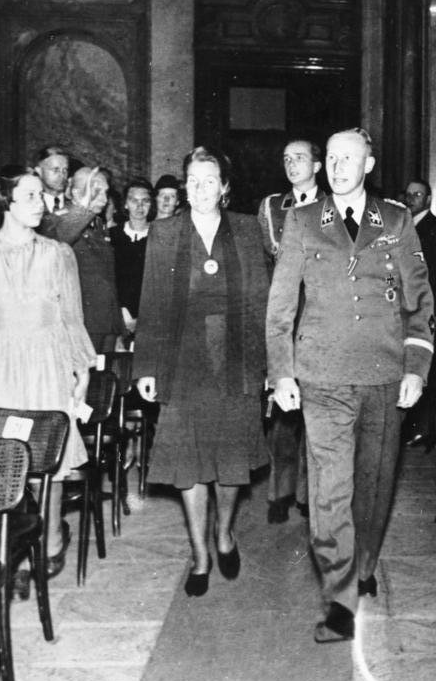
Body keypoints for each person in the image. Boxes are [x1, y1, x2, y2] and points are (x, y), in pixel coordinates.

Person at [266, 127, 434, 642]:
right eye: (332, 158)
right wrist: (282, 372)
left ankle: (364, 564)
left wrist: (415, 370)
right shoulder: (300, 221)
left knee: (375, 486)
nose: (337, 167)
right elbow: (280, 307)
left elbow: (419, 303)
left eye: (348, 159)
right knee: (330, 490)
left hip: (384, 377)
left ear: (369, 164)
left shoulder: (397, 221)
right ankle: (339, 598)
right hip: (323, 379)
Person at [134, 146, 269, 597]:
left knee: (231, 464)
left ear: (225, 187)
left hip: (236, 361)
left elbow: (261, 303)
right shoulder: (165, 232)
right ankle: (199, 554)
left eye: (209, 180)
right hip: (182, 362)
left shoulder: (248, 230)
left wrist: (269, 369)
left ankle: (225, 532)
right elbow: (151, 302)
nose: (200, 189)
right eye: (192, 181)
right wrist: (146, 367)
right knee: (188, 465)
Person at [0, 166, 96, 596]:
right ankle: (7, 551)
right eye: (30, 196)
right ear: (6, 202)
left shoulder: (57, 254)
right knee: (2, 465)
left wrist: (83, 371)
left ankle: (51, 539)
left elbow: (71, 318)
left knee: (43, 461)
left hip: (47, 366)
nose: (41, 204)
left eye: (42, 196)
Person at [258, 138, 325, 524]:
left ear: (317, 165)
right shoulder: (271, 207)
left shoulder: (333, 206)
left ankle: (308, 493)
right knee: (281, 413)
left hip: (318, 319)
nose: (292, 164)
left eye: (300, 157)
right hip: (283, 318)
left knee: (316, 412)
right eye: (286, 158)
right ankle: (280, 491)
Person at [46, 166, 125, 353]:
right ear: (75, 193)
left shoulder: (98, 224)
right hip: (82, 323)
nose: (104, 200)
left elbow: (107, 278)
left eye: (105, 193)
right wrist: (84, 207)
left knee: (105, 379)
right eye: (96, 193)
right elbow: (59, 238)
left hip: (106, 322)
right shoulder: (58, 220)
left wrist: (117, 324)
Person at [402, 178, 436, 445]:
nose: (411, 199)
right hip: (407, 312)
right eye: (408, 195)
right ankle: (414, 428)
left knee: (429, 372)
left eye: (417, 195)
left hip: (429, 312)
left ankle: (424, 430)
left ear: (428, 198)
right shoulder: (403, 226)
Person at [109, 177, 155, 339]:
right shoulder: (112, 236)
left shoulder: (159, 238)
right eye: (134, 200)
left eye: (145, 201)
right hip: (117, 316)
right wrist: (121, 311)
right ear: (126, 204)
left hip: (150, 318)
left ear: (151, 204)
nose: (140, 206)